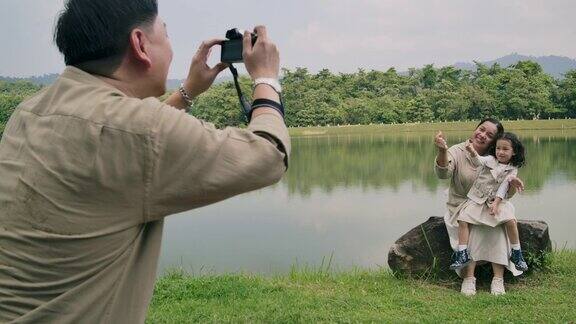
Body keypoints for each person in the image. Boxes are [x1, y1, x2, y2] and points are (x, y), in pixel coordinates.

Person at [0, 0, 290, 322]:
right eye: (165, 34)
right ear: (140, 44)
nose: (170, 48)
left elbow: (124, 138)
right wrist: (266, 79)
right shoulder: (140, 129)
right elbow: (269, 155)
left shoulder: (27, 112)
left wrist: (188, 91)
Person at [434, 118, 524, 296]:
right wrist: (442, 150)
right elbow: (442, 173)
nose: (482, 135)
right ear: (476, 129)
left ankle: (498, 278)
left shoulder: (500, 160)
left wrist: (512, 184)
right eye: (481, 129)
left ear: (496, 141)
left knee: (498, 226)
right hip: (462, 206)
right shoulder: (459, 151)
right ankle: (469, 278)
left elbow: (506, 193)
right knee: (471, 227)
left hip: (491, 205)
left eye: (490, 135)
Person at [449, 133, 528, 277]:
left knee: (510, 221)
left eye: (505, 149)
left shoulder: (512, 169)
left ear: (514, 151)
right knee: (463, 220)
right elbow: (479, 161)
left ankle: (517, 252)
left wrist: (497, 203)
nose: (501, 152)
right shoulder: (490, 159)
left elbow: (504, 187)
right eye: (498, 148)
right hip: (477, 199)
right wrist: (472, 152)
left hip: (497, 201)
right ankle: (462, 253)